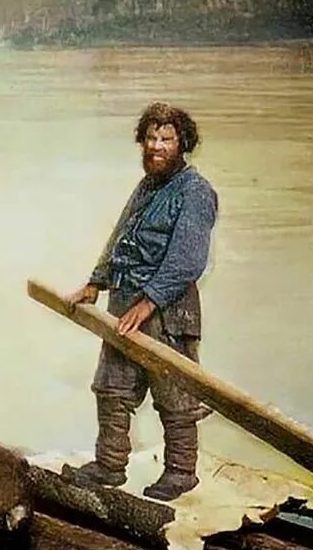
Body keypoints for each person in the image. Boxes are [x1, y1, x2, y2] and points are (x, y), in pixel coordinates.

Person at [64, 102, 218, 501]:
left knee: (176, 396)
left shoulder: (196, 192)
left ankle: (182, 473)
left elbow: (188, 260)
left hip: (169, 312)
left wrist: (147, 304)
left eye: (166, 138)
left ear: (183, 143)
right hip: (125, 302)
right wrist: (96, 283)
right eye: (151, 138)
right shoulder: (148, 186)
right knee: (113, 388)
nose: (157, 146)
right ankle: (110, 466)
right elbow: (121, 236)